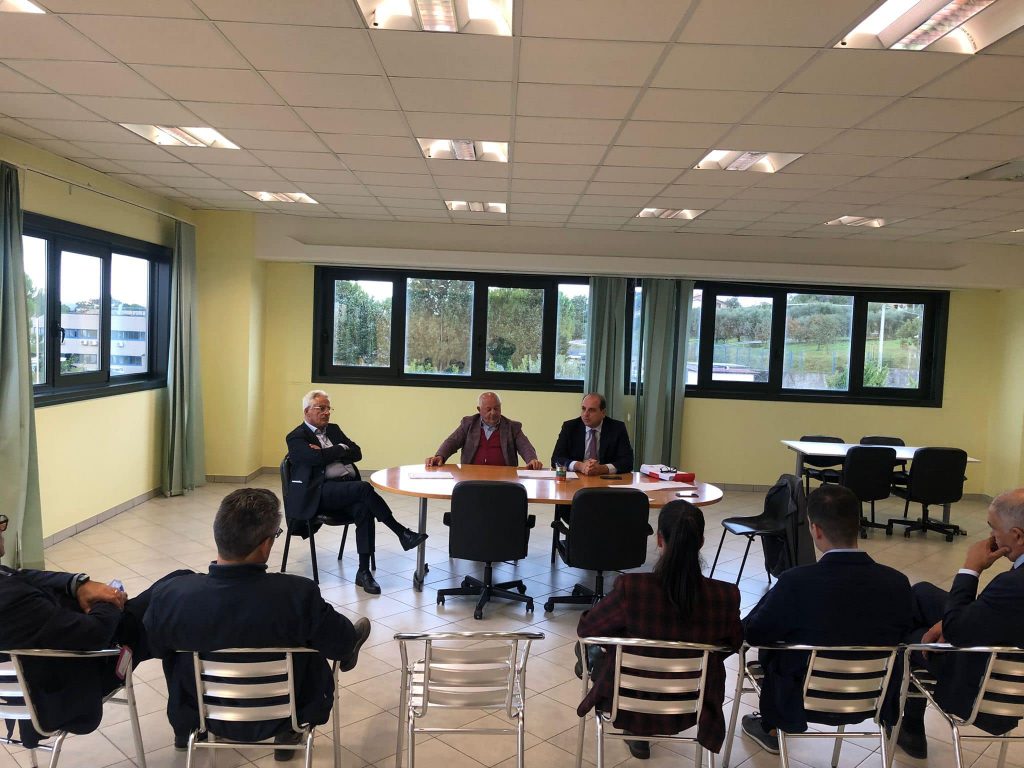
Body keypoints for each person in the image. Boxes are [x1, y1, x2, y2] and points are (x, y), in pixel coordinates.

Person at [143, 488, 372, 760]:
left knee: (176, 651)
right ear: (265, 545)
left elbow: (156, 648)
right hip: (287, 712)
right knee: (318, 641)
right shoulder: (297, 595)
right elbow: (341, 644)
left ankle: (186, 731)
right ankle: (289, 731)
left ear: (218, 535)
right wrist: (348, 644)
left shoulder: (171, 596)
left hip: (202, 712)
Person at [741, 485, 913, 754]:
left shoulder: (795, 582)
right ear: (857, 524)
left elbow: (755, 634)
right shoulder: (898, 583)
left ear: (816, 530)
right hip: (870, 698)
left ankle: (771, 728)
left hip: (800, 700)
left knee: (775, 644)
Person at [0, 513, 187, 748]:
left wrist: (79, 585)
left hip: (34, 676)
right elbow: (95, 634)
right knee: (178, 602)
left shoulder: (6, 582)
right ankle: (189, 725)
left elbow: (24, 575)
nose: (3, 529)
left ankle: (186, 724)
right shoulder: (12, 600)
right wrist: (109, 598)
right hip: (79, 673)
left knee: (176, 592)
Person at [576, 501, 743, 759]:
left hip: (627, 699)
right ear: (700, 542)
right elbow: (733, 643)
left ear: (659, 539)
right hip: (693, 704)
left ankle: (637, 728)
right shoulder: (724, 596)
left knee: (586, 648)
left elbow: (587, 629)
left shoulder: (632, 588)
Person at [897, 488, 1024, 759]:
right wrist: (950, 622)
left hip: (988, 688)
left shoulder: (1012, 585)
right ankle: (909, 725)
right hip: (1009, 651)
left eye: (994, 529)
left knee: (911, 636)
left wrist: (971, 568)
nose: (991, 537)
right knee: (922, 593)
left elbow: (958, 630)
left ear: (1017, 536)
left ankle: (909, 725)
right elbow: (999, 613)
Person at [285, 389, 426, 595]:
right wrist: (341, 449)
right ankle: (400, 532)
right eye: (321, 408)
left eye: (328, 408)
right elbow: (314, 459)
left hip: (344, 489)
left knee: (363, 507)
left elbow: (357, 453)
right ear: (307, 411)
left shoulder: (333, 430)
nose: (326, 412)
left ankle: (363, 571)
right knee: (363, 488)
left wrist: (330, 451)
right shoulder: (296, 437)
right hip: (318, 493)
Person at [425, 391, 543, 469]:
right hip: (471, 477)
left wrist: (532, 460)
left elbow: (525, 446)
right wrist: (440, 456)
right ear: (479, 409)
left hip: (505, 479)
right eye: (488, 409)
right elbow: (452, 441)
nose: (493, 412)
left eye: (496, 408)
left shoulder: (512, 427)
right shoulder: (468, 424)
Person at [551, 393, 634, 477]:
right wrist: (579, 466)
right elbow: (556, 459)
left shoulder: (617, 428)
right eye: (583, 409)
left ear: (603, 413)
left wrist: (602, 468)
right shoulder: (570, 427)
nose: (585, 414)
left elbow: (628, 462)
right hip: (578, 477)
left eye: (591, 410)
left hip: (605, 479)